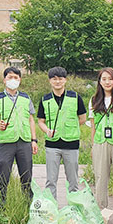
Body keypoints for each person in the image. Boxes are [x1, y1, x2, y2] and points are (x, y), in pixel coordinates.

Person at [0, 67, 38, 215]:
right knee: (3, 175)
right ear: (4, 80)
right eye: (10, 77)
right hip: (6, 142)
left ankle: (28, 207)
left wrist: (34, 140)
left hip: (24, 141)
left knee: (27, 176)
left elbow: (31, 120)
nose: (13, 80)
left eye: (16, 78)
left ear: (20, 80)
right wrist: (0, 125)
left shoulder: (25, 98)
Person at [37, 67, 87, 200]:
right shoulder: (45, 99)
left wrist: (70, 128)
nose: (57, 81)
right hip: (52, 145)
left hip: (71, 144)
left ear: (65, 80)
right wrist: (47, 130)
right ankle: (51, 208)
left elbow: (82, 119)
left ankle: (74, 209)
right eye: (54, 79)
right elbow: (41, 121)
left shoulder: (76, 97)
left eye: (60, 79)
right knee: (51, 181)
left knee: (73, 181)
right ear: (50, 81)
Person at [88, 67, 113, 216]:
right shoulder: (94, 99)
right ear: (99, 82)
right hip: (100, 142)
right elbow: (93, 125)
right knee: (100, 178)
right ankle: (101, 213)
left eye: (110, 79)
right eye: (104, 79)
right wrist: (93, 145)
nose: (107, 82)